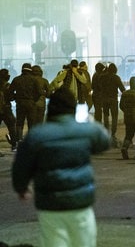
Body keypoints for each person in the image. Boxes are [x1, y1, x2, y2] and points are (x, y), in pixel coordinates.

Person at [12, 88, 111, 247]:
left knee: (54, 242)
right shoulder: (84, 130)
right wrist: (89, 122)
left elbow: (21, 166)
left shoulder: (37, 134)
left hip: (50, 204)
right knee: (83, 242)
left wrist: (22, 188)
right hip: (80, 203)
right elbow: (104, 142)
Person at [8, 63, 42, 140]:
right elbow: (39, 92)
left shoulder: (16, 79)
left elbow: (10, 91)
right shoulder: (34, 79)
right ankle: (31, 139)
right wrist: (34, 100)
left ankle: (19, 139)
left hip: (20, 103)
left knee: (19, 123)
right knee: (31, 123)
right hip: (31, 103)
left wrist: (15, 98)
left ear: (22, 70)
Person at [98, 62, 126, 147]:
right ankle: (113, 134)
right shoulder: (116, 77)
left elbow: (99, 87)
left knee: (106, 115)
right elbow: (122, 89)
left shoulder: (102, 77)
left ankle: (106, 131)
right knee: (114, 117)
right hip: (113, 99)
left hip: (104, 99)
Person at [0, 68, 19, 151]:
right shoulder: (7, 85)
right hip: (6, 108)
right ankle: (14, 145)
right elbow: (11, 97)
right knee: (12, 126)